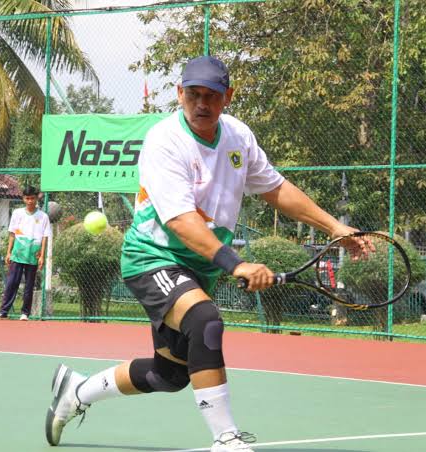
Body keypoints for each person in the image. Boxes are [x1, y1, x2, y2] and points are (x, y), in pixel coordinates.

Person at [44, 56, 358, 451]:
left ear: (228, 97)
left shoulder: (238, 137)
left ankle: (77, 392)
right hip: (153, 257)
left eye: (212, 95)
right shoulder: (164, 140)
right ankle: (226, 439)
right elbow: (181, 222)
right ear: (179, 94)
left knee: (169, 375)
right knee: (205, 320)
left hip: (199, 268)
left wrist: (334, 227)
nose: (202, 103)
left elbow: (275, 188)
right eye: (193, 94)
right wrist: (236, 263)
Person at [0, 186, 51, 321]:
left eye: (32, 198)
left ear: (37, 198)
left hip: (33, 256)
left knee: (29, 285)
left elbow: (44, 237)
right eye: (27, 198)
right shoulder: (17, 213)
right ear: (23, 199)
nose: (30, 201)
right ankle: (3, 312)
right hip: (17, 255)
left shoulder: (43, 216)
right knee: (11, 283)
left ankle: (25, 313)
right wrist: (8, 252)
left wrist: (42, 256)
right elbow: (12, 233)